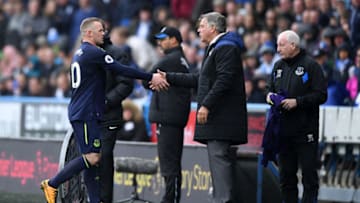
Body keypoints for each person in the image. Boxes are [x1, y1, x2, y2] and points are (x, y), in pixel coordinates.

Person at [40, 17, 168, 203]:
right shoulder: (93, 52)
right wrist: (150, 77)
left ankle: (95, 200)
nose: (104, 33)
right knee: (92, 158)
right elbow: (121, 69)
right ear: (89, 33)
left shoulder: (80, 53)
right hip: (86, 114)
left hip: (83, 111)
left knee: (92, 161)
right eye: (100, 30)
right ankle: (52, 183)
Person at [154, 12, 248, 203]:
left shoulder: (226, 48)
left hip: (222, 118)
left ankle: (223, 200)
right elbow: (200, 79)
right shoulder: (215, 48)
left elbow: (224, 80)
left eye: (202, 26)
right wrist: (169, 77)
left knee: (219, 159)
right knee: (217, 160)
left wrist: (206, 104)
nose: (198, 30)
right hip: (219, 119)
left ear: (213, 28)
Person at [266, 30, 327, 203]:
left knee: (308, 175)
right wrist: (269, 96)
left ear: (293, 45)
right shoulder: (278, 67)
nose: (278, 49)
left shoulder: (311, 66)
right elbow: (269, 88)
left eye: (281, 45)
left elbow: (321, 95)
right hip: (283, 132)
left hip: (305, 131)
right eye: (277, 45)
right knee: (286, 176)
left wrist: (297, 102)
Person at [144, 26, 191, 203]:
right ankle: (170, 198)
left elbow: (145, 79)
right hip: (172, 117)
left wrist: (153, 81)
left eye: (163, 39)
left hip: (168, 117)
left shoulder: (170, 60)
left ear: (174, 40)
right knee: (170, 163)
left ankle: (170, 199)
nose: (160, 42)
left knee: (169, 165)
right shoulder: (180, 59)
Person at [98, 28, 135, 203]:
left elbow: (126, 84)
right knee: (87, 158)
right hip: (88, 116)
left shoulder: (117, 54)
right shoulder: (84, 54)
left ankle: (105, 200)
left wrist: (106, 102)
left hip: (109, 116)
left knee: (104, 156)